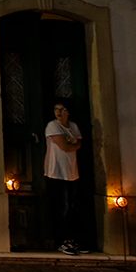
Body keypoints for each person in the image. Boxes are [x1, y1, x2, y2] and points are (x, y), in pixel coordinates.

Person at [43, 101, 85, 255]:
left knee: (72, 207)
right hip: (56, 172)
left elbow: (78, 143)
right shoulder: (52, 126)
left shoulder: (73, 126)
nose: (59, 112)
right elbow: (66, 146)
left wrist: (73, 144)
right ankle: (61, 240)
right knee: (62, 207)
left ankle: (73, 239)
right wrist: (72, 144)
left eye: (62, 109)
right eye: (56, 109)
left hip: (72, 172)